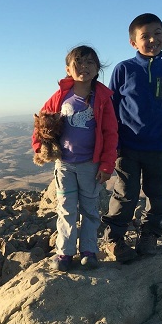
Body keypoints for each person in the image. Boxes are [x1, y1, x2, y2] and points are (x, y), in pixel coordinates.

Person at [102, 13, 162, 263]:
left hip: (159, 147)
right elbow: (111, 109)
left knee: (158, 193)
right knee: (125, 194)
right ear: (133, 43)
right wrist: (113, 144)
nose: (153, 39)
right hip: (127, 148)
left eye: (157, 33)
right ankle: (115, 239)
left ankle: (149, 234)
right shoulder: (124, 69)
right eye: (145, 36)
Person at [32, 45, 118, 272]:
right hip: (65, 165)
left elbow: (111, 133)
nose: (84, 67)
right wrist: (39, 147)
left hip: (91, 165)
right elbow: (41, 123)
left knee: (90, 209)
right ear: (68, 69)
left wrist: (108, 164)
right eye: (78, 63)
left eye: (90, 63)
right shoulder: (61, 96)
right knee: (67, 209)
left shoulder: (102, 98)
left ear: (98, 68)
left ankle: (89, 251)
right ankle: (65, 252)